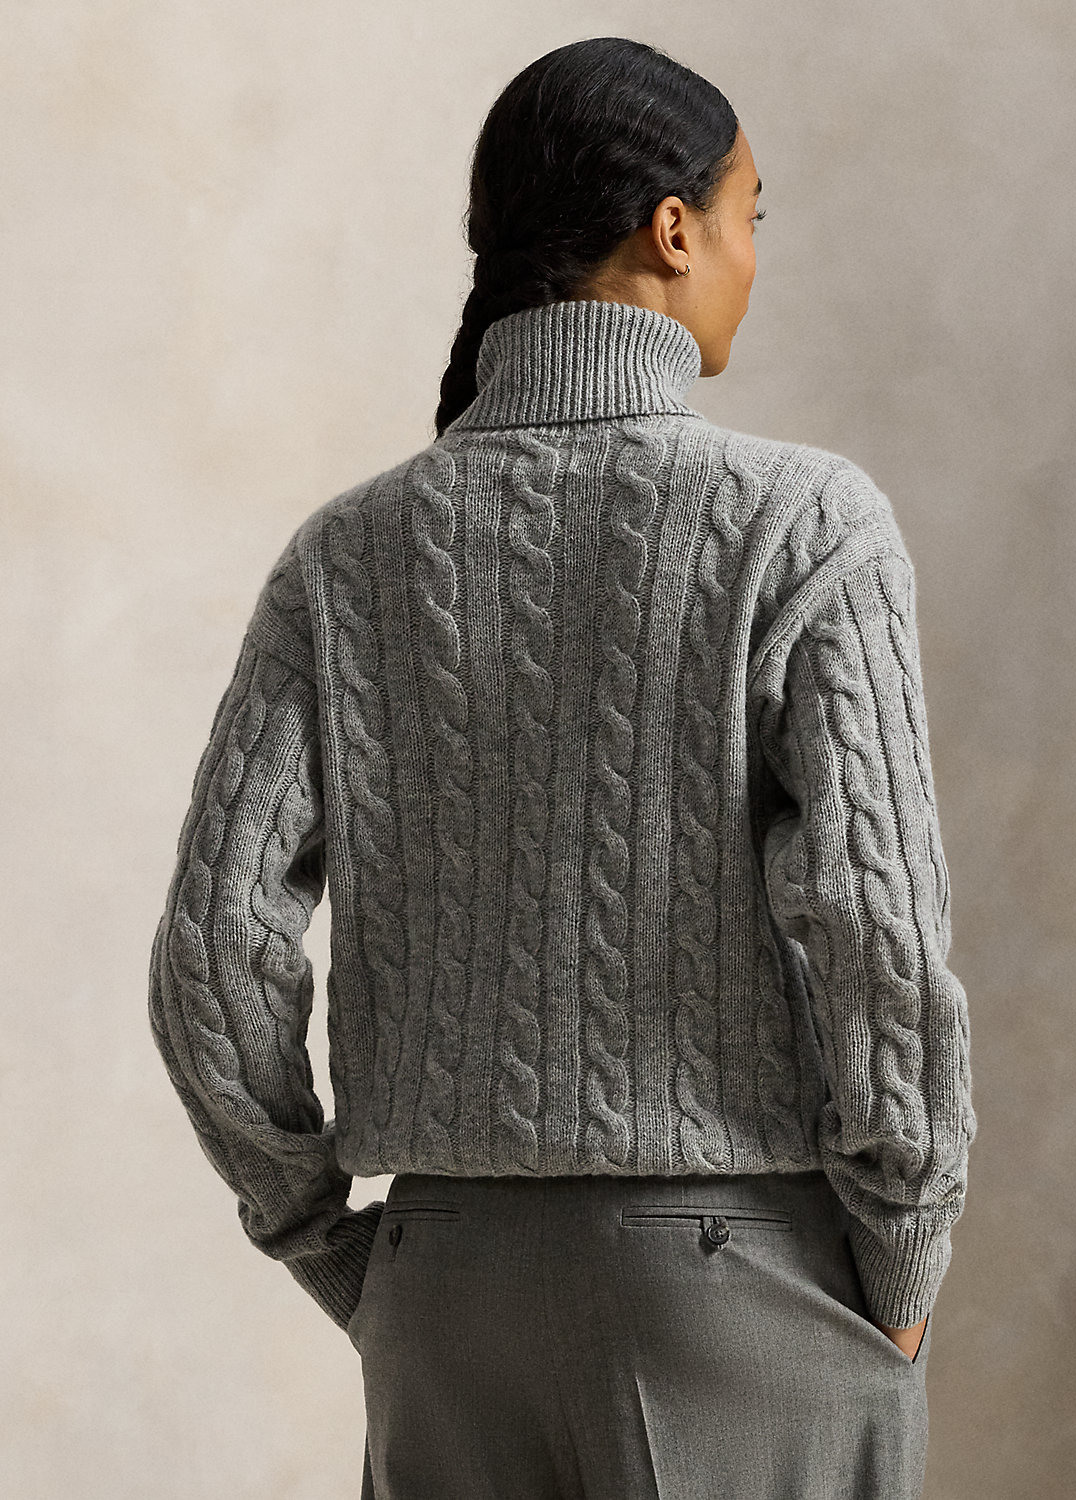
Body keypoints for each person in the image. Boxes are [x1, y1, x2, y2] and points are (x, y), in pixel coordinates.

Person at [148, 35, 978, 1500]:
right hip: (741, 1293)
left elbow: (213, 949)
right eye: (750, 215)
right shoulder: (804, 523)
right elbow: (878, 928)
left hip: (445, 1299)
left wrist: (334, 1244)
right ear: (673, 231)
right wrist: (904, 1252)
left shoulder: (345, 557)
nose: (754, 257)